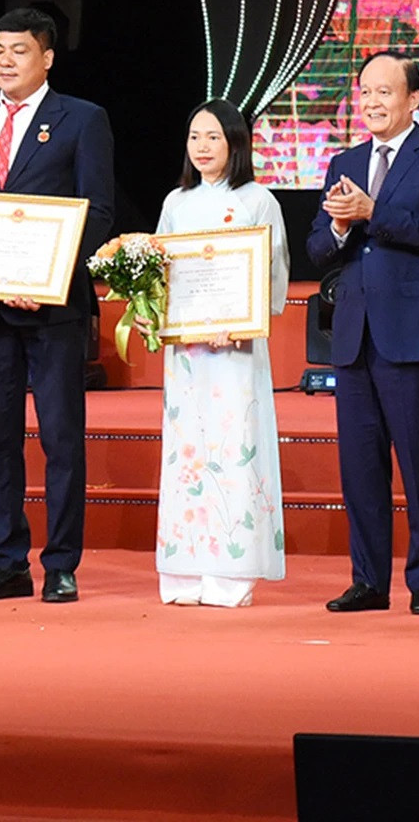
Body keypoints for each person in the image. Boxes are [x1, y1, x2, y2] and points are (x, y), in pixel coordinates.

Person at [0, 8, 114, 603]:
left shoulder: (83, 120)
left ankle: (62, 562)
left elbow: (99, 213)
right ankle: (8, 559)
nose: (5, 61)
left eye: (19, 50)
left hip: (53, 310)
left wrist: (43, 277)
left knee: (61, 437)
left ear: (47, 58)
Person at [308, 51, 419, 615]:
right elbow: (317, 249)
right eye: (365, 93)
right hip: (353, 333)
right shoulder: (343, 160)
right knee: (360, 465)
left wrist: (373, 211)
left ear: (414, 98)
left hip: (412, 331)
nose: (373, 103)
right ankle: (368, 580)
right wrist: (336, 223)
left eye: (385, 92)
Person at [150, 100, 291, 607]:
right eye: (194, 137)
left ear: (235, 142)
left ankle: (233, 570)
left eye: (213, 137)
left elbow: (271, 275)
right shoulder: (177, 202)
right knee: (188, 452)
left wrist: (239, 320)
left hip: (235, 349)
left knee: (234, 444)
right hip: (188, 352)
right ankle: (185, 568)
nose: (202, 147)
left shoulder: (258, 200)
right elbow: (160, 271)